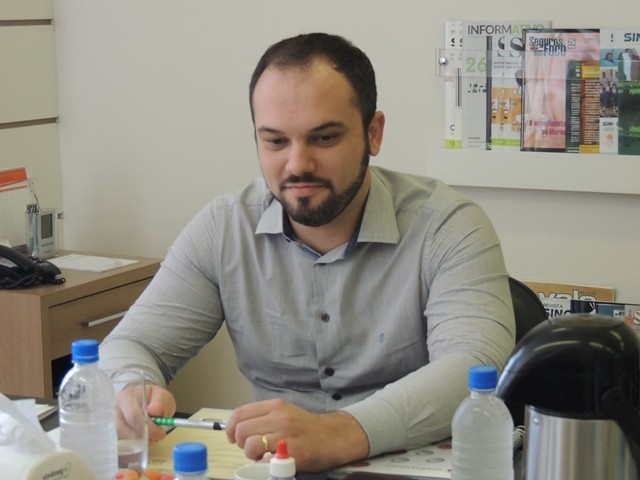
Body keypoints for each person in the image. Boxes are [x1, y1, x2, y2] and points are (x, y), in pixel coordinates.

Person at [100, 32, 515, 473]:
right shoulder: (224, 228)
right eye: (275, 141)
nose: (298, 164)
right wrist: (130, 390)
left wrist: (339, 432)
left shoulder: (449, 226)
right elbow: (133, 343)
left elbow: (473, 365)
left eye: (324, 138)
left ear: (373, 133)